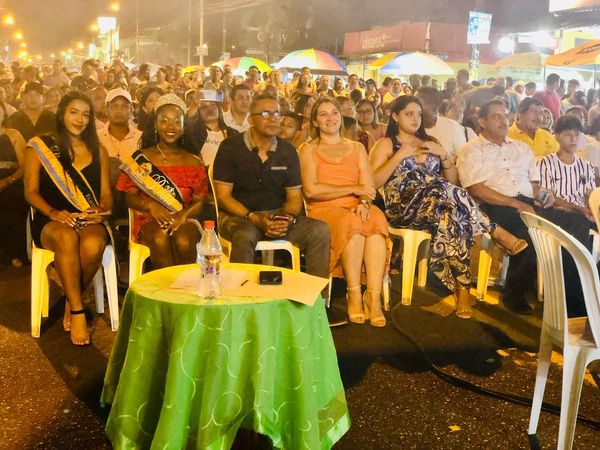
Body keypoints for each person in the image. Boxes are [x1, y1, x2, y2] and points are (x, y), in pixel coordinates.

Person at [370, 96, 526, 318]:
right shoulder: (386, 144)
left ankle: (462, 290)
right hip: (403, 207)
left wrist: (443, 156)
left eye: (418, 114)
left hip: (437, 205)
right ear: (395, 116)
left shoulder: (430, 142)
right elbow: (373, 182)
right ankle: (494, 231)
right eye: (409, 114)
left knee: (451, 218)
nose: (415, 119)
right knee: (444, 193)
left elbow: (453, 181)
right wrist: (398, 157)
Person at [458, 99, 592, 316]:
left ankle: (571, 298)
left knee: (577, 223)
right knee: (530, 230)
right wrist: (516, 203)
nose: (503, 120)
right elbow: (476, 189)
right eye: (497, 116)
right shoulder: (472, 149)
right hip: (494, 205)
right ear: (482, 121)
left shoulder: (521, 148)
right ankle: (514, 292)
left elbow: (535, 187)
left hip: (527, 203)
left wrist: (548, 197)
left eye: (505, 115)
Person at [24, 91, 112, 345]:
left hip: (87, 218)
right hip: (51, 218)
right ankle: (77, 310)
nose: (80, 119)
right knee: (66, 238)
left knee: (93, 244)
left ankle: (70, 300)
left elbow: (106, 195)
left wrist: (101, 210)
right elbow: (30, 192)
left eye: (86, 114)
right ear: (62, 114)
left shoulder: (99, 151)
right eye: (74, 112)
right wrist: (54, 213)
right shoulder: (40, 147)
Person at [212, 93, 331, 279]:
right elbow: (223, 197)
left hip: (277, 215)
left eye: (277, 114)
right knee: (245, 235)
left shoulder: (288, 151)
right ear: (251, 120)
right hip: (239, 216)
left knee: (320, 230)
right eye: (266, 114)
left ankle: (317, 294)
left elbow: (294, 197)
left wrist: (285, 218)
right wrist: (253, 217)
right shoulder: (230, 147)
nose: (273, 119)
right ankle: (240, 293)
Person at [299, 97, 387, 326]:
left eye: (334, 113)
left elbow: (368, 187)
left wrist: (364, 202)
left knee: (376, 220)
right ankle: (354, 293)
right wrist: (353, 189)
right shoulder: (308, 149)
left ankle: (373, 297)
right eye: (323, 114)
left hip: (356, 205)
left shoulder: (357, 147)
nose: (330, 118)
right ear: (315, 122)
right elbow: (311, 190)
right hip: (324, 208)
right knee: (352, 223)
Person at [117, 94, 208, 269]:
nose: (170, 127)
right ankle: (171, 284)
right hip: (149, 219)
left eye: (176, 122)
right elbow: (130, 197)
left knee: (183, 240)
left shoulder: (193, 161)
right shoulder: (141, 158)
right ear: (155, 125)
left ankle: (183, 283)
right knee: (160, 237)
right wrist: (151, 206)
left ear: (184, 127)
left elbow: (200, 202)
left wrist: (182, 216)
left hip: (184, 219)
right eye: (164, 121)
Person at [539, 115, 596, 220]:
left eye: (576, 134)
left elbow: (590, 194)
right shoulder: (546, 163)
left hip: (582, 215)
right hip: (557, 214)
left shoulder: (586, 166)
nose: (573, 139)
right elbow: (545, 196)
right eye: (567, 134)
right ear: (556, 136)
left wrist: (590, 210)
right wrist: (578, 208)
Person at [97, 88, 142, 221]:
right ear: (107, 109)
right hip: (103, 194)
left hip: (133, 195)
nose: (119, 110)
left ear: (131, 109)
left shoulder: (141, 138)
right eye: (114, 106)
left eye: (124, 106)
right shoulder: (96, 137)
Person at [0, 108, 27, 267]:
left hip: (12, 181)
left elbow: (24, 165)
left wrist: (8, 180)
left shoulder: (14, 135)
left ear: (4, 112)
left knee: (10, 200)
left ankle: (14, 253)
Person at [416, 87, 471, 163]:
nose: (415, 106)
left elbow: (464, 160)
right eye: (414, 102)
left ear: (435, 105)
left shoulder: (452, 127)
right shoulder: (409, 128)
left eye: (420, 102)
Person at [184, 91, 238, 166]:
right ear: (198, 112)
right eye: (203, 106)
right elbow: (186, 123)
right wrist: (195, 105)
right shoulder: (193, 134)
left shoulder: (233, 133)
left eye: (213, 105)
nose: (209, 108)